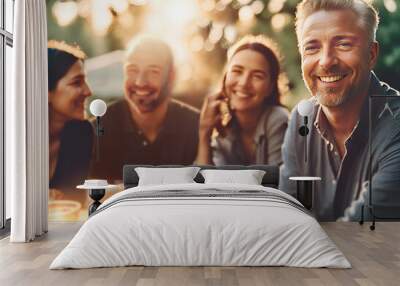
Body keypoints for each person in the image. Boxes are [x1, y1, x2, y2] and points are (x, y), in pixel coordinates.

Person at [280, 0, 400, 221]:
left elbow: (360, 232)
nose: (326, 61)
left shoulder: (396, 124)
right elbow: (287, 219)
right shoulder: (301, 120)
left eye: (343, 44)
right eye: (312, 47)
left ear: (371, 54)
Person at [89, 36, 199, 181]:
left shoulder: (196, 125)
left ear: (172, 77)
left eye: (153, 71)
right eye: (132, 70)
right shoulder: (98, 129)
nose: (140, 82)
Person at [196, 35, 289, 166]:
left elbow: (277, 181)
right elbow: (204, 180)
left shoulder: (277, 120)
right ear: (225, 77)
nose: (244, 83)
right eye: (237, 71)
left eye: (257, 76)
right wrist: (204, 131)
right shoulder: (224, 128)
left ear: (270, 87)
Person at [48, 41, 94, 193]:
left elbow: (76, 198)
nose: (88, 91)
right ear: (46, 91)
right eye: (77, 83)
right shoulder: (13, 139)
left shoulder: (82, 133)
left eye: (85, 81)